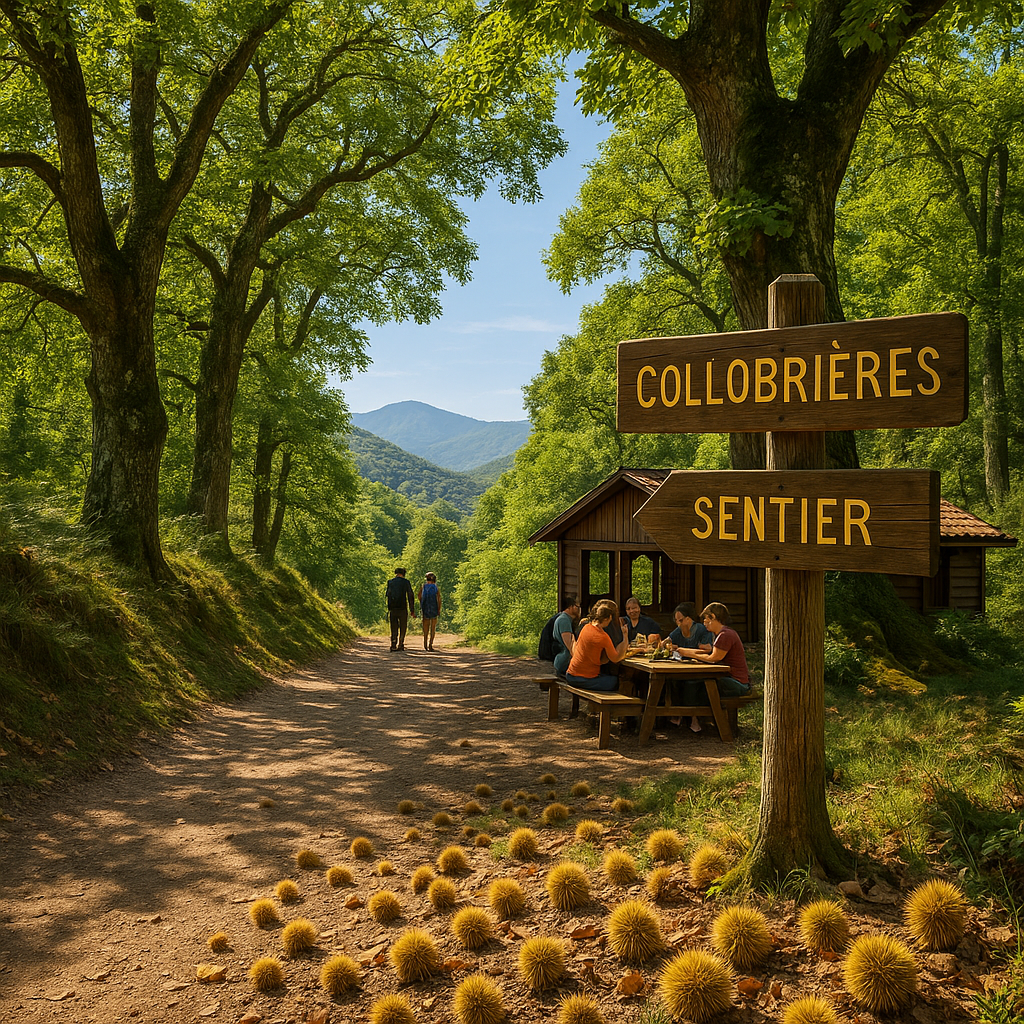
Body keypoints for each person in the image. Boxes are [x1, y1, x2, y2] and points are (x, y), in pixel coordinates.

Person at [677, 603, 752, 711]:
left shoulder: (725, 635)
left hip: (737, 683)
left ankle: (694, 719)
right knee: (692, 683)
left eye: (706, 619)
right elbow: (708, 652)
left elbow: (713, 658)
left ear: (713, 617)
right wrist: (683, 650)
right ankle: (693, 718)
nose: (704, 623)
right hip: (730, 679)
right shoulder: (721, 634)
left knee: (694, 685)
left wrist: (689, 654)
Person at [665, 602, 715, 732]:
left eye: (681, 620)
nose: (678, 623)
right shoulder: (679, 630)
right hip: (682, 667)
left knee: (691, 683)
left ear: (689, 619)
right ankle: (677, 715)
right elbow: (666, 641)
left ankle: (694, 718)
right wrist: (668, 646)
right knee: (671, 680)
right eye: (676, 621)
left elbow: (707, 650)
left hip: (701, 668)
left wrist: (685, 650)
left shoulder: (700, 630)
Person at [565, 604, 628, 691]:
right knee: (616, 681)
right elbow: (616, 658)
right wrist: (625, 636)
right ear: (606, 618)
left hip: (570, 675)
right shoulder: (603, 637)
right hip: (584, 678)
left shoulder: (586, 627)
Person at [385, 567, 416, 652]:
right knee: (403, 626)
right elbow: (410, 596)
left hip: (393, 608)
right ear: (403, 574)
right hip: (402, 608)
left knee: (393, 626)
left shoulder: (390, 582)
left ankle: (393, 644)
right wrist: (412, 609)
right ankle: (401, 644)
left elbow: (388, 595)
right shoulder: (406, 582)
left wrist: (389, 608)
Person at [551, 594, 580, 678]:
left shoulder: (566, 619)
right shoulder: (564, 620)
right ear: (570, 607)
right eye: (577, 606)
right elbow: (570, 645)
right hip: (564, 661)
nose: (578, 609)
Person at [417, 572, 441, 651]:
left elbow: (419, 596)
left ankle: (425, 644)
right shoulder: (435, 587)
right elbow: (439, 599)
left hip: (425, 608)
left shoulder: (423, 587)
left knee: (425, 628)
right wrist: (438, 609)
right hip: (434, 608)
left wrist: (422, 603)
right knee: (433, 628)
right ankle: (430, 644)